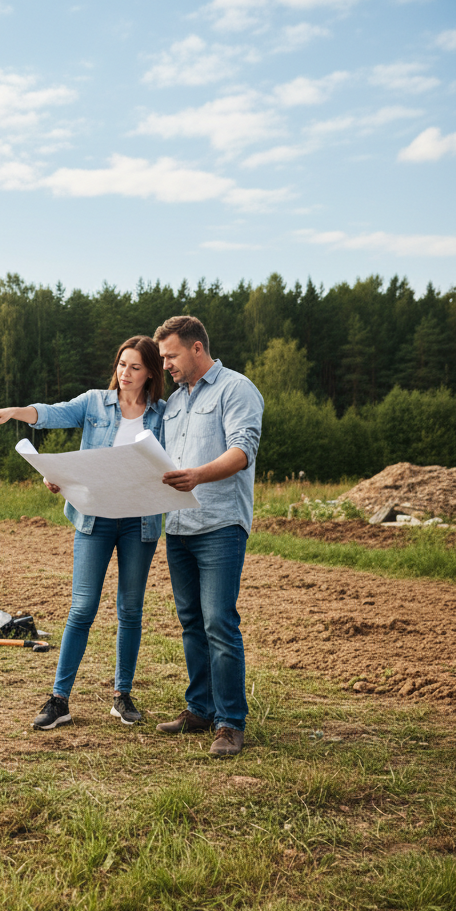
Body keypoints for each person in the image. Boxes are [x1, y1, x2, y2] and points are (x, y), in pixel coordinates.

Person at [0, 336, 166, 731]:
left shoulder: (163, 414)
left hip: (140, 521)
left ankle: (121, 695)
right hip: (94, 519)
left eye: (134, 367)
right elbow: (51, 413)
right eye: (121, 364)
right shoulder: (96, 402)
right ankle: (59, 699)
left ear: (150, 371)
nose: (125, 373)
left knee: (130, 610)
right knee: (81, 609)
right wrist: (15, 413)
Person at [153, 315, 264, 758]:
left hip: (220, 525)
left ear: (197, 348)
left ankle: (230, 722)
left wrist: (198, 475)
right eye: (162, 358)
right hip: (177, 526)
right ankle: (199, 708)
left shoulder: (236, 389)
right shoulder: (176, 402)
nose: (166, 366)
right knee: (191, 623)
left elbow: (242, 451)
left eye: (171, 355)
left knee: (219, 621)